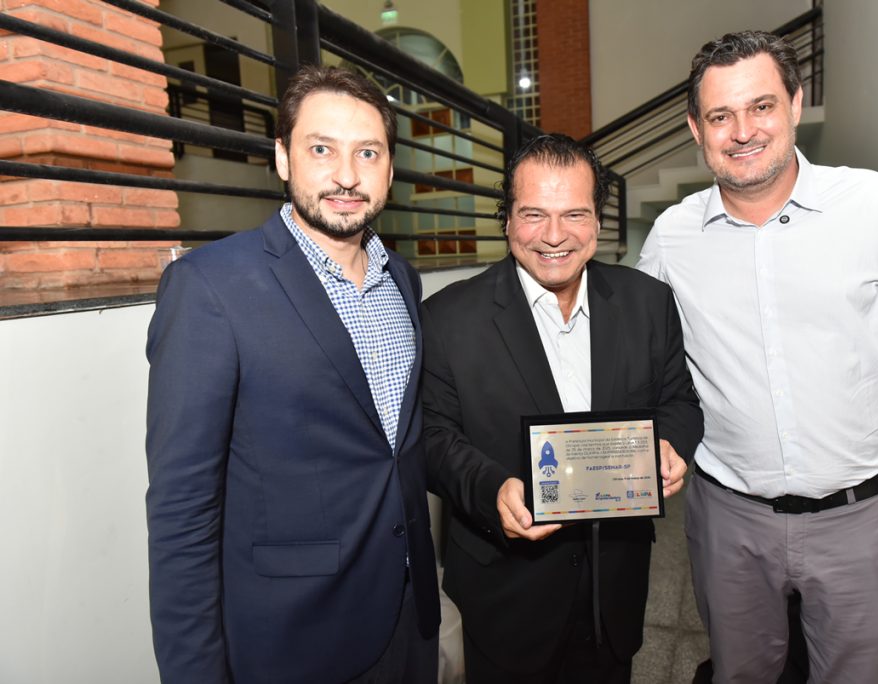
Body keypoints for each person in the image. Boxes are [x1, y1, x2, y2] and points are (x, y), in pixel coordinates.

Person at [637, 30, 878, 684]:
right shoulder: (672, 237)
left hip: (859, 519)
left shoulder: (872, 204)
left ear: (795, 104)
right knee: (740, 673)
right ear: (696, 128)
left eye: (761, 106)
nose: (743, 131)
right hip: (728, 520)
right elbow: (644, 358)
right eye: (720, 115)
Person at [146, 65, 440, 683]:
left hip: (408, 618)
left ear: (390, 168)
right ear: (282, 157)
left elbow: (394, 451)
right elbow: (182, 510)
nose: (347, 176)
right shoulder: (209, 288)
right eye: (321, 149)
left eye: (368, 152)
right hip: (294, 640)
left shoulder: (403, 280)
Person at [422, 133, 704, 683]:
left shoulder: (649, 303)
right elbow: (433, 438)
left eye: (574, 214)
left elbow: (679, 401)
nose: (554, 236)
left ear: (598, 220)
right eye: (534, 214)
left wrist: (669, 444)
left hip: (613, 592)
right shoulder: (449, 318)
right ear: (508, 220)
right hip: (505, 599)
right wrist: (491, 490)